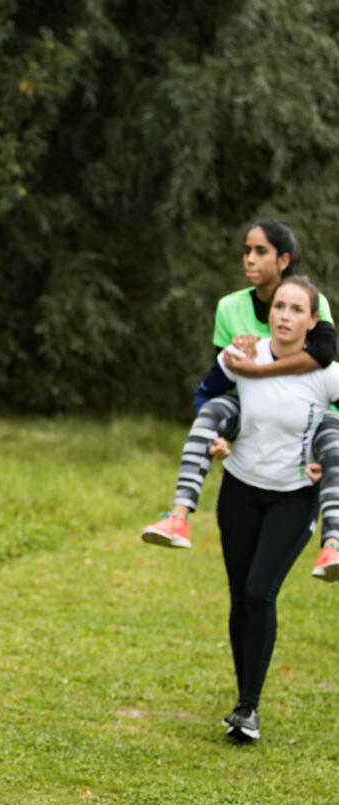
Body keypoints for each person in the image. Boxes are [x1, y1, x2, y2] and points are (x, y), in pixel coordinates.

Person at [193, 276, 339, 741]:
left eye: (297, 309)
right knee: (241, 595)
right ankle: (244, 702)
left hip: (294, 496)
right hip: (239, 490)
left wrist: (325, 454)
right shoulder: (242, 356)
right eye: (279, 306)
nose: (284, 316)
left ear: (312, 321)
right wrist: (215, 435)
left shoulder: (326, 372)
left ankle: (249, 708)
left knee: (260, 591)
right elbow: (206, 395)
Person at [141, 218, 336, 550]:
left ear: (283, 260)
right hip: (251, 410)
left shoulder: (312, 302)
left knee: (332, 434)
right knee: (216, 407)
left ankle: (332, 543)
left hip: (306, 414)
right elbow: (221, 380)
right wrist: (217, 433)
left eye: (261, 251)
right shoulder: (229, 307)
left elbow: (322, 355)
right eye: (246, 251)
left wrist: (258, 369)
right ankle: (178, 515)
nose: (249, 259)